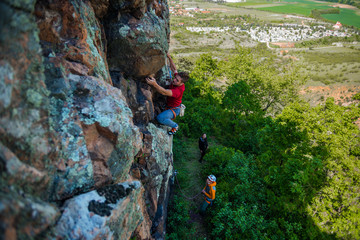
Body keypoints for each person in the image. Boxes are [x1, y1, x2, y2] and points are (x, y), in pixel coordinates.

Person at [146, 53, 189, 135]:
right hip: (168, 105)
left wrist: (154, 84)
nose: (174, 80)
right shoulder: (178, 79)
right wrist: (169, 57)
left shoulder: (178, 91)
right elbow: (174, 69)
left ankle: (175, 126)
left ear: (181, 83)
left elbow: (164, 92)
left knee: (160, 118)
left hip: (174, 109)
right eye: (175, 78)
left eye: (177, 81)